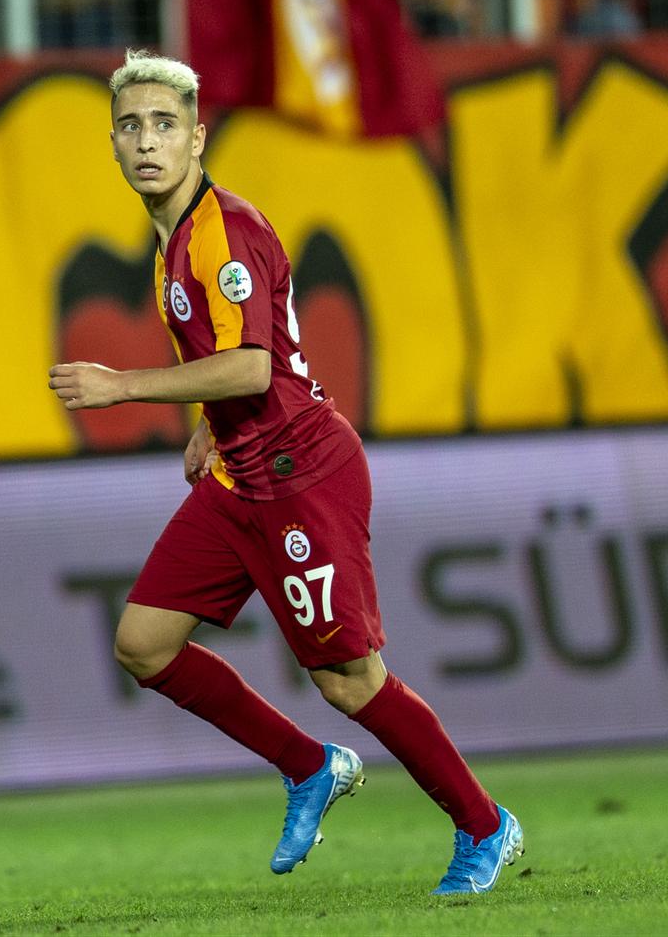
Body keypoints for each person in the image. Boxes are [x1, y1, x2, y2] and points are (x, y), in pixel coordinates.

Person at [48, 48, 523, 895]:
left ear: (198, 137)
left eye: (164, 124)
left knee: (350, 681)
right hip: (241, 475)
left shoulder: (223, 233)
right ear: (112, 143)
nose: (147, 141)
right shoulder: (173, 240)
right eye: (130, 126)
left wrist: (123, 386)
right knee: (144, 645)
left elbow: (253, 367)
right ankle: (309, 767)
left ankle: (486, 826)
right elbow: (232, 357)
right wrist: (209, 426)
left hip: (303, 473)